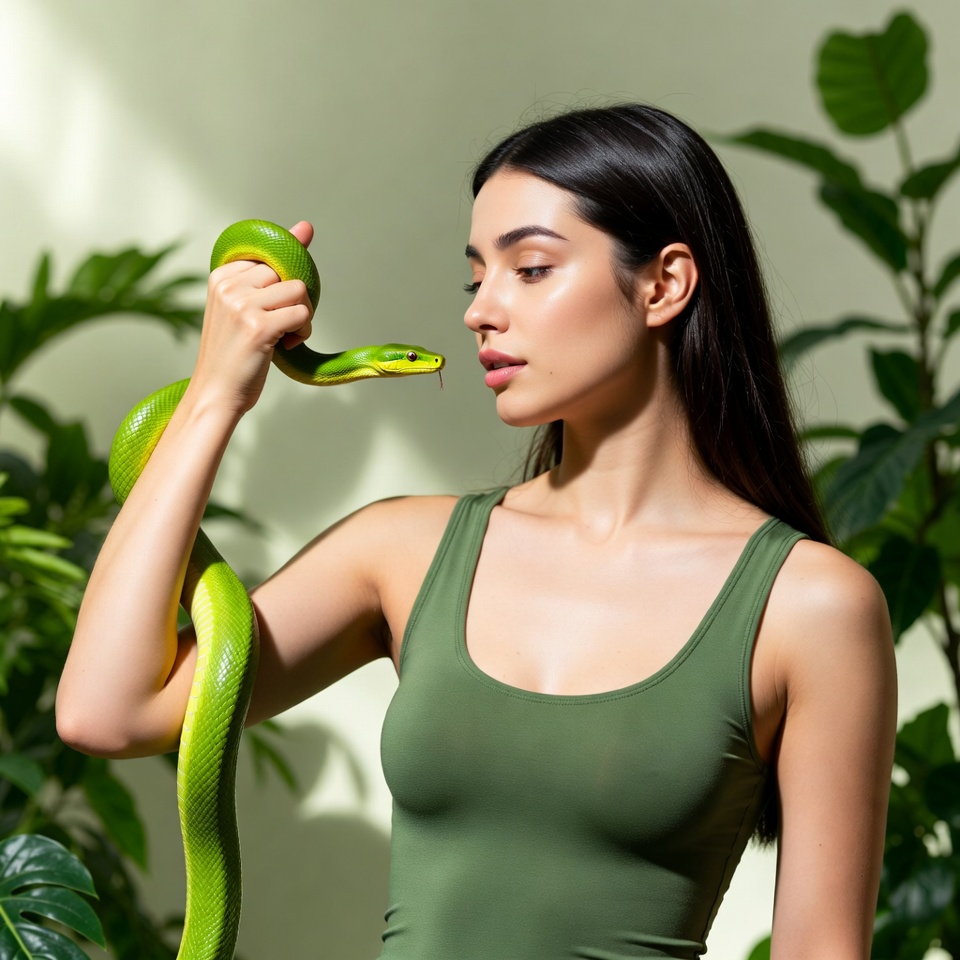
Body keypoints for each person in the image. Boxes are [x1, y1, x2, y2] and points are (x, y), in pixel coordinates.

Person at [57, 103, 897, 959]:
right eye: (476, 278)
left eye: (530, 269)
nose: (480, 312)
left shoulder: (811, 607)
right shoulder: (401, 554)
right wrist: (212, 397)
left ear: (664, 284)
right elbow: (107, 711)